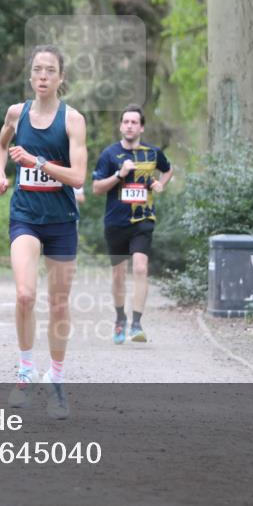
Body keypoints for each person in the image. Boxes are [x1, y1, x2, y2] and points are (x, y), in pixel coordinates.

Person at [0, 45, 87, 419]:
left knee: (59, 303)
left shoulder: (72, 120)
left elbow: (77, 177)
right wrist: (0, 174)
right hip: (25, 216)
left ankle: (57, 380)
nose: (43, 76)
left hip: (61, 219)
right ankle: (26, 370)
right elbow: (1, 147)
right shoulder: (17, 113)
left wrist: (38, 162)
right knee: (26, 294)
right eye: (37, 70)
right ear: (30, 77)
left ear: (61, 78)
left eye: (50, 70)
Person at [91, 104, 174, 344]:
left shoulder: (153, 153)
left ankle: (137, 323)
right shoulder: (109, 154)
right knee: (118, 275)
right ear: (120, 126)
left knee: (140, 268)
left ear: (141, 127)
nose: (129, 126)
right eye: (125, 122)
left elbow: (167, 170)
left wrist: (160, 184)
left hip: (143, 220)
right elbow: (96, 188)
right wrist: (119, 174)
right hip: (116, 222)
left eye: (134, 122)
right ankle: (120, 319)